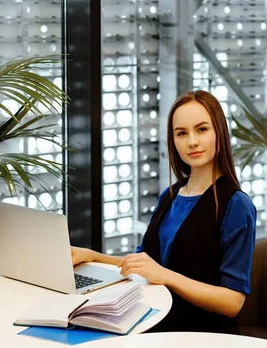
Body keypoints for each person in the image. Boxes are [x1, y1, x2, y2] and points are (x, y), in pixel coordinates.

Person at [71, 90, 257, 334]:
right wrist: (91, 256)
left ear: (219, 133)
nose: (192, 141)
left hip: (201, 334)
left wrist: (166, 276)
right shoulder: (170, 196)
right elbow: (143, 265)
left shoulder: (236, 205)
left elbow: (232, 302)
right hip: (155, 322)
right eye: (181, 133)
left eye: (202, 129)